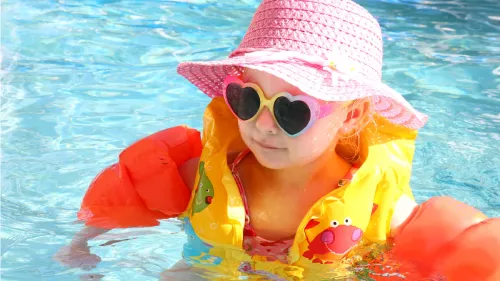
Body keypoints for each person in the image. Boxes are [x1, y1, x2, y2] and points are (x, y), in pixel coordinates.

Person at [55, 0, 500, 280]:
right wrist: (82, 245)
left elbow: (446, 249)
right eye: (248, 99)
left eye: (292, 110)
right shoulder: (200, 175)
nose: (263, 125)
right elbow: (130, 198)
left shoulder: (379, 208)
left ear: (353, 116)